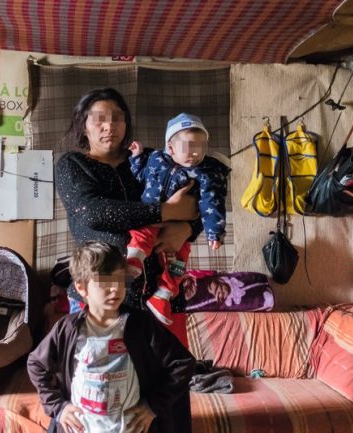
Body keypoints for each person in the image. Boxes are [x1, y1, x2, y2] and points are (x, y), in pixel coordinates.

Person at [55, 88, 200, 314]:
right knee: (101, 350)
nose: (109, 126)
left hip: (163, 296)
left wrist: (187, 228)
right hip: (100, 297)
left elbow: (195, 206)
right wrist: (166, 211)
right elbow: (93, 212)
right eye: (99, 120)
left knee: (168, 351)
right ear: (84, 125)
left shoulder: (152, 160)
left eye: (117, 118)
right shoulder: (72, 165)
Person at [27, 241, 195, 433]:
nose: (115, 288)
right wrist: (58, 407)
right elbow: (36, 364)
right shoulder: (67, 328)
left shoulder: (141, 325)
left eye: (119, 279)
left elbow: (183, 362)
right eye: (104, 282)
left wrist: (153, 406)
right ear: (82, 288)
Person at [126, 113, 230, 329]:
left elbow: (212, 204)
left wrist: (214, 232)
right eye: (189, 147)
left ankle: (163, 294)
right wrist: (136, 157)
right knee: (141, 234)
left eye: (201, 147)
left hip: (180, 232)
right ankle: (133, 261)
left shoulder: (205, 174)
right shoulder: (155, 158)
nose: (195, 153)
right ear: (170, 148)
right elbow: (139, 177)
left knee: (179, 261)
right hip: (150, 216)